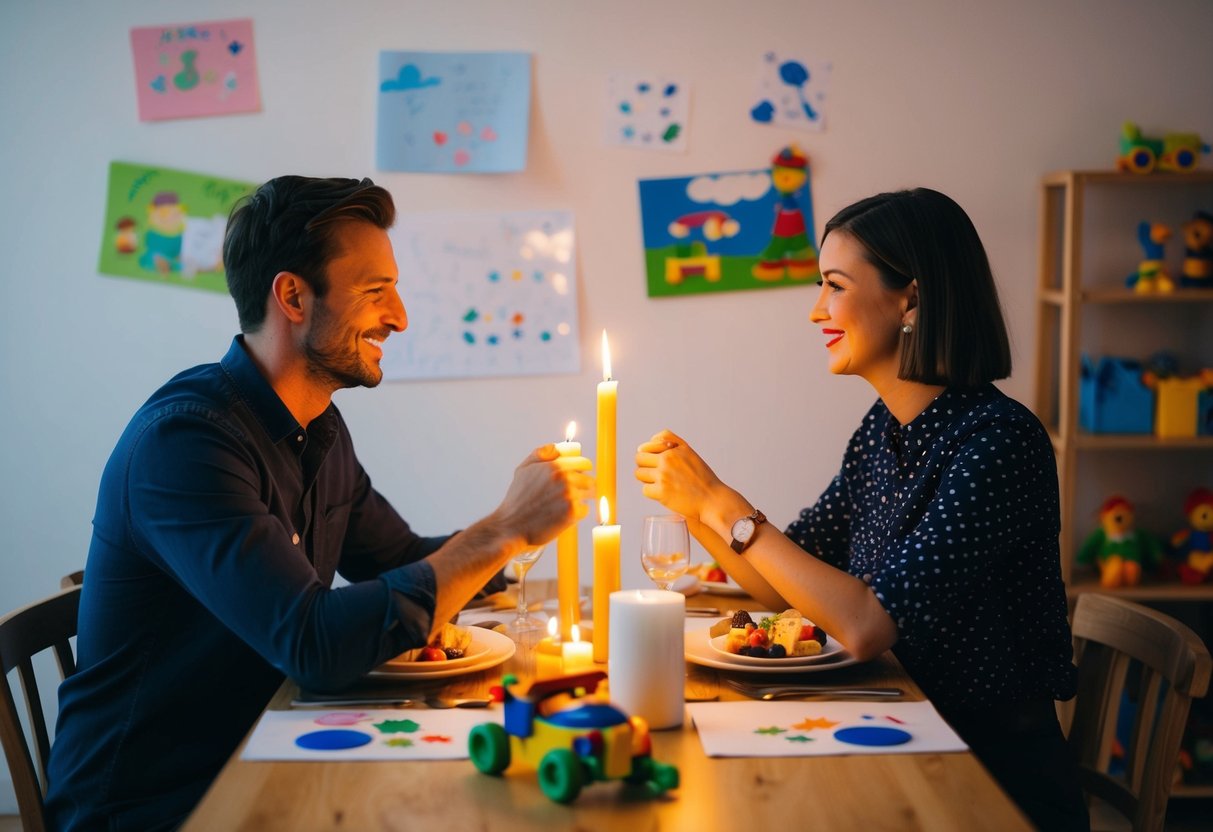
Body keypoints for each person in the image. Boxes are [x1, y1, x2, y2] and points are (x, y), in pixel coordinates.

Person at [45, 176, 593, 831]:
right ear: (293, 296)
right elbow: (311, 644)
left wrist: (522, 542)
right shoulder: (185, 443)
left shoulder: (320, 430)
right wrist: (504, 529)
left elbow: (398, 558)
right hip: (161, 804)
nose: (399, 316)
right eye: (375, 291)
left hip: (270, 751)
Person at [635, 188, 1089, 830]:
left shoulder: (998, 443)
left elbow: (870, 624)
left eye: (834, 285)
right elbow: (780, 588)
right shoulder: (884, 428)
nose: (817, 309)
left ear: (911, 296)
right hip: (902, 729)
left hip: (985, 778)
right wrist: (698, 511)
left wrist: (721, 502)